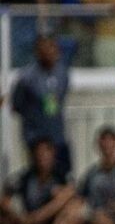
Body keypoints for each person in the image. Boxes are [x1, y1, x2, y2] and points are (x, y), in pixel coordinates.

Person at [11, 36, 72, 175]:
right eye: (44, 49)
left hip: (58, 136)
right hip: (35, 138)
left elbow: (60, 99)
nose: (49, 52)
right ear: (37, 52)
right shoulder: (27, 77)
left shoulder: (62, 73)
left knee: (63, 176)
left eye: (51, 48)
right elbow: (17, 105)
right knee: (38, 176)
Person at [0, 139, 77, 224]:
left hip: (50, 223)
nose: (42, 157)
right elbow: (5, 200)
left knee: (73, 207)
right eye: (39, 153)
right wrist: (17, 216)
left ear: (53, 154)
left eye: (46, 153)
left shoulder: (62, 177)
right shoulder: (24, 178)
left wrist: (35, 218)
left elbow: (68, 196)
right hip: (25, 223)